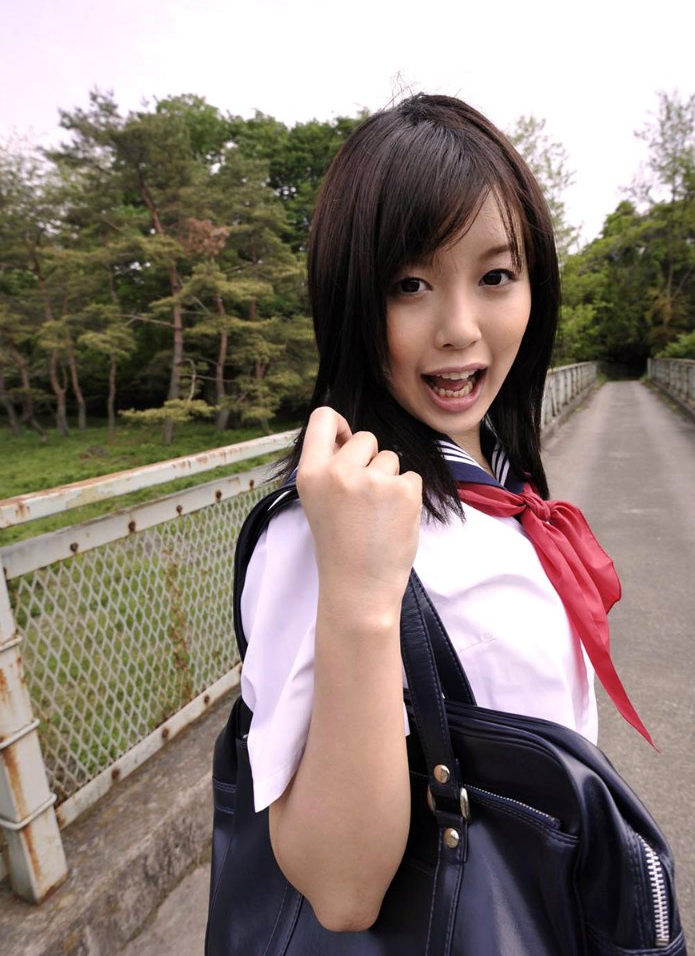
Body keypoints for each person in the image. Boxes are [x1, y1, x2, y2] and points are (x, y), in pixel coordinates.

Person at [239, 94, 647, 936]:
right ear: (351, 299)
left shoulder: (498, 480)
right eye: (410, 285)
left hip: (548, 907)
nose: (460, 329)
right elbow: (339, 891)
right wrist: (359, 597)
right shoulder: (319, 532)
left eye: (495, 277)